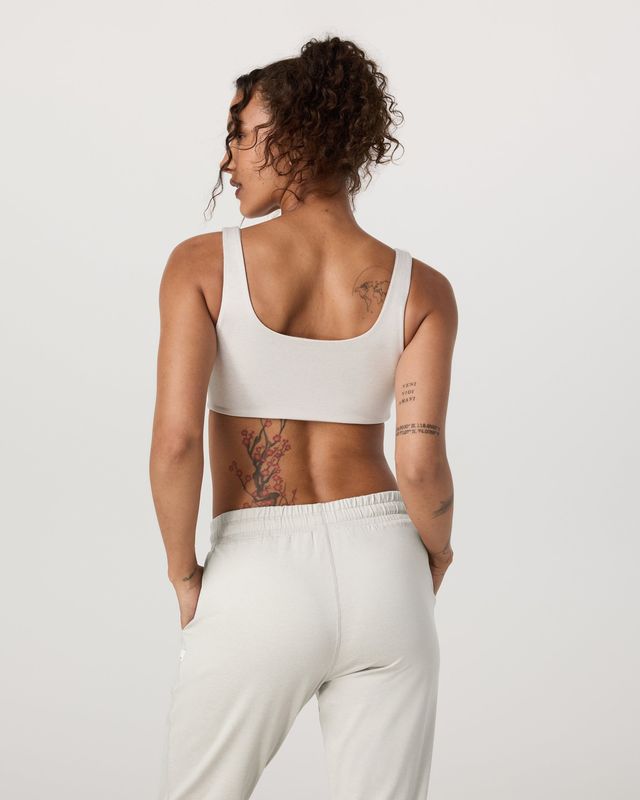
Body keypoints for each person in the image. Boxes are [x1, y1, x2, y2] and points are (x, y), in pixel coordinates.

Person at [150, 34, 457, 800]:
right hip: (387, 569)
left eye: (240, 134)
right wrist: (436, 555)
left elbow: (177, 443)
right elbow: (420, 463)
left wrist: (185, 573)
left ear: (291, 136)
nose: (228, 160)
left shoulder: (201, 265)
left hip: (258, 575)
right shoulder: (422, 289)